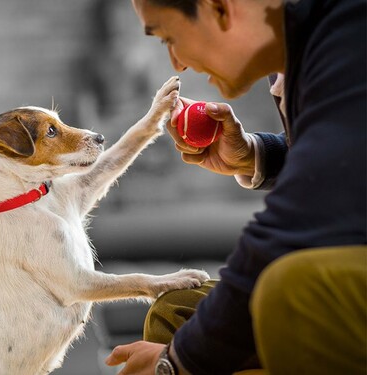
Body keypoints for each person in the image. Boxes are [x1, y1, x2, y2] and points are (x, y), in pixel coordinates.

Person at [104, 0, 366, 374]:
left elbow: (301, 225)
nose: (177, 63)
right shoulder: (304, 53)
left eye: (169, 37)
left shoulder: (351, 35)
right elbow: (346, 167)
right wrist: (259, 155)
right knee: (176, 310)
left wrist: (177, 361)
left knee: (293, 288)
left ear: (219, 9)